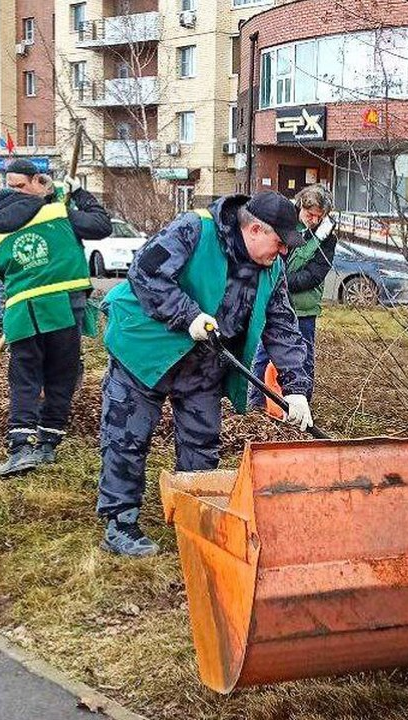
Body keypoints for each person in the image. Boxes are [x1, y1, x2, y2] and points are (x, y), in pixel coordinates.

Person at [97, 190, 314, 557]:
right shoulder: (194, 230)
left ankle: (191, 517)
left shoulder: (272, 268)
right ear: (255, 229)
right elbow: (145, 273)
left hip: (203, 363)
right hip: (144, 350)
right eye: (279, 243)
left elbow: (282, 326)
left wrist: (296, 388)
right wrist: (188, 315)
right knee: (127, 436)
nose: (282, 253)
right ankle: (120, 522)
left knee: (202, 444)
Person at [0, 158, 112, 476]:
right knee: (61, 377)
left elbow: (1, 272)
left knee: (25, 380)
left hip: (22, 314)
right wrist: (77, 194)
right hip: (65, 311)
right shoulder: (57, 213)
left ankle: (20, 448)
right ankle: (47, 444)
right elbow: (100, 225)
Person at [250, 184, 336, 407]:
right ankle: (255, 405)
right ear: (300, 207)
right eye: (310, 214)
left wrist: (283, 283)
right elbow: (275, 262)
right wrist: (279, 283)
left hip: (305, 308)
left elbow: (315, 274)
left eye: (319, 216)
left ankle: (301, 404)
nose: (314, 220)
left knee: (303, 358)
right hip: (275, 304)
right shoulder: (285, 226)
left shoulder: (326, 237)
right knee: (263, 355)